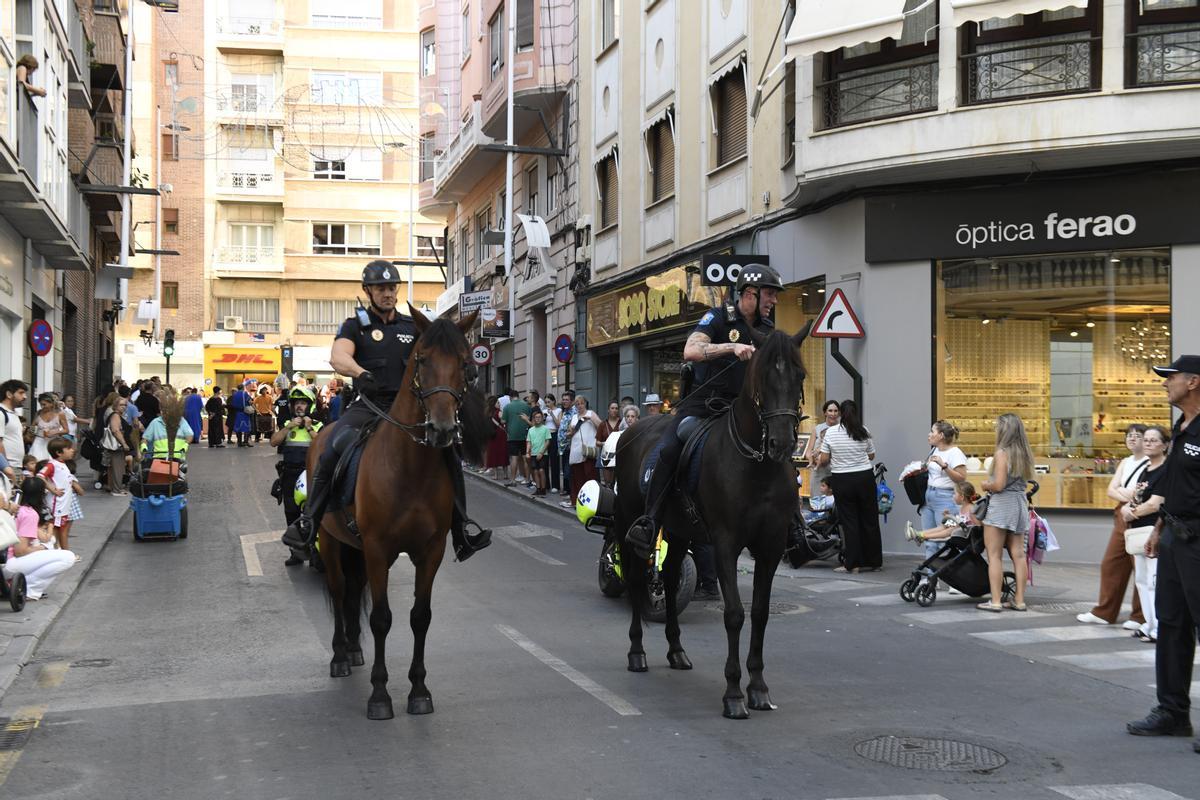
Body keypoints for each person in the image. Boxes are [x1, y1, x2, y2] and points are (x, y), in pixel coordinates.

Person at [280, 260, 490, 561]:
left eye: (392, 287)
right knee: (332, 446)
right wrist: (360, 372)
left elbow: (437, 357)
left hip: (407, 409)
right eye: (381, 288)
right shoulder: (355, 325)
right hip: (367, 406)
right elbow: (338, 357)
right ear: (368, 291)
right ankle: (310, 521)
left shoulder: (412, 326)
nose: (388, 293)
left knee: (449, 454)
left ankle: (460, 528)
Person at [625, 265, 784, 558]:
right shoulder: (718, 317)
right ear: (751, 293)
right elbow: (691, 350)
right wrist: (731, 347)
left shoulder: (768, 329)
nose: (774, 301)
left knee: (777, 451)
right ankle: (650, 520)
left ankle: (792, 525)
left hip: (743, 410)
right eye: (770, 294)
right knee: (671, 448)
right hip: (703, 406)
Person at [1127, 355, 1200, 745]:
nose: (1164, 383)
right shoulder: (1181, 427)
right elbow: (1174, 487)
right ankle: (1172, 713)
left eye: (1170, 377)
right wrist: (1159, 527)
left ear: (1193, 382)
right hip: (1174, 534)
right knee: (1171, 624)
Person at [1077, 424, 1150, 628]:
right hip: (1121, 515)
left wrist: (1125, 494)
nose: (1132, 439)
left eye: (1137, 436)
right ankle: (1105, 612)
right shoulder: (1126, 462)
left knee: (1140, 567)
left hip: (1140, 515)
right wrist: (1127, 494)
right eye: (1129, 435)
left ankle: (1140, 616)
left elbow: (1141, 493)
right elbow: (1111, 490)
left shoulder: (1150, 462)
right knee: (1112, 563)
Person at [976, 413, 1034, 613]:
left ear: (1004, 430)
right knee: (1019, 555)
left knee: (994, 555)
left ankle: (995, 601)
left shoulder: (1002, 453)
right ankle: (1019, 600)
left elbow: (999, 485)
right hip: (1019, 505)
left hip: (1001, 506)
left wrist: (986, 484)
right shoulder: (1025, 453)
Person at [816, 398, 881, 574]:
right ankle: (874, 561)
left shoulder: (831, 432)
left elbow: (824, 459)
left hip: (842, 479)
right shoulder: (863, 430)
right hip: (865, 477)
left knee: (849, 521)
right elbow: (872, 456)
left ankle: (853, 564)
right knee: (869, 519)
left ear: (840, 414)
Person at [1121, 425, 1170, 644]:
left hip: (1154, 530)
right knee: (1141, 580)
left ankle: (1159, 626)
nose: (1148, 443)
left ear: (1165, 445)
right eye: (1146, 440)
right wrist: (1127, 507)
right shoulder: (1146, 469)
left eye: (1153, 440)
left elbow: (1155, 503)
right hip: (1138, 531)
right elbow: (1137, 495)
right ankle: (1148, 624)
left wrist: (1132, 512)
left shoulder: (1165, 470)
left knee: (1154, 580)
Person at [270, 386, 323, 567]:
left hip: (312, 477)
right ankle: (296, 553)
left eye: (303, 403)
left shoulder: (318, 425)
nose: (299, 406)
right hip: (290, 477)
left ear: (309, 405)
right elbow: (274, 442)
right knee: (291, 516)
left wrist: (309, 428)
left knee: (313, 515)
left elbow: (323, 445)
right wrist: (288, 427)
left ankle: (316, 553)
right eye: (296, 403)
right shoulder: (288, 424)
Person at [3, 478, 74, 601]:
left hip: (5, 562)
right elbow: (20, 551)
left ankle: (21, 585)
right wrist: (43, 548)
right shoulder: (29, 514)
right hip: (8, 564)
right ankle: (29, 589)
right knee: (68, 557)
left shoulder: (14, 508)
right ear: (41, 494)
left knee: (51, 549)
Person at [916, 420, 968, 560]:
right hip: (929, 496)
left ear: (941, 436)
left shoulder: (955, 453)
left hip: (946, 499)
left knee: (945, 540)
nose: (929, 434)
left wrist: (944, 466)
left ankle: (946, 573)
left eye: (932, 431)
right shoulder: (934, 450)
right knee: (929, 540)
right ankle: (930, 573)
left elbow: (961, 478)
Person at [39, 437, 83, 552]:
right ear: (59, 452)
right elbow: (40, 476)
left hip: (63, 506)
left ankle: (59, 551)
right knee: (57, 529)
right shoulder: (52, 465)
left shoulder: (62, 464)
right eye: (68, 448)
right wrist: (53, 490)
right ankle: (60, 553)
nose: (72, 450)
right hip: (57, 506)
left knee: (61, 529)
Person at [905, 481, 979, 544]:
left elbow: (978, 527)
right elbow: (962, 521)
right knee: (944, 525)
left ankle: (922, 536)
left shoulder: (971, 509)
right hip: (960, 529)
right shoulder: (962, 508)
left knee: (951, 529)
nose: (953, 496)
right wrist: (949, 516)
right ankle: (920, 533)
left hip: (966, 535)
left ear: (962, 497)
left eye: (955, 493)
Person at [562, 395, 600, 509]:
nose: (580, 406)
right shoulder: (574, 417)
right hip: (576, 450)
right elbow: (569, 434)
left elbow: (601, 426)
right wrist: (570, 432)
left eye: (581, 403)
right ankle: (577, 502)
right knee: (577, 478)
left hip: (588, 451)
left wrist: (590, 419)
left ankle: (592, 502)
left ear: (585, 404)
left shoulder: (591, 413)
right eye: (577, 404)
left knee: (590, 477)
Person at [803, 400, 840, 491]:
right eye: (830, 411)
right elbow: (809, 450)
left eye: (835, 411)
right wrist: (811, 459)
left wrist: (820, 450)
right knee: (817, 498)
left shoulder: (842, 428)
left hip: (835, 472)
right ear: (825, 413)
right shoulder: (817, 428)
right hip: (818, 473)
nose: (833, 414)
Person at [501, 389, 532, 486]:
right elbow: (530, 418)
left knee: (514, 458)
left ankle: (513, 480)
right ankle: (527, 479)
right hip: (525, 435)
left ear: (510, 397)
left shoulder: (507, 407)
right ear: (518, 396)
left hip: (512, 435)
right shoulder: (526, 406)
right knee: (525, 457)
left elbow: (503, 421)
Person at [102, 396, 132, 496]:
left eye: (125, 405)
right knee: (118, 468)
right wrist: (124, 443)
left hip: (116, 446)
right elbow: (115, 430)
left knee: (114, 468)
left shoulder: (117, 415)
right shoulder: (115, 416)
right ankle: (116, 490)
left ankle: (115, 488)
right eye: (121, 405)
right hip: (117, 446)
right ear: (115, 405)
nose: (123, 407)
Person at [28, 392, 68, 462]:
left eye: (44, 404)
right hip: (39, 442)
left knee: (52, 463)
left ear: (51, 403)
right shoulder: (38, 413)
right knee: (37, 462)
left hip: (53, 443)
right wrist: (34, 431)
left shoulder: (60, 414)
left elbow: (66, 430)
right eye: (41, 404)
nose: (42, 407)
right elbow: (32, 428)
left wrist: (55, 432)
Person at [0, 379, 28, 465]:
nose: (25, 397)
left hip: (16, 465)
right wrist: (5, 467)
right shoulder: (1, 412)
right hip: (7, 467)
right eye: (21, 393)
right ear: (9, 394)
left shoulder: (14, 413)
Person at [526, 410, 551, 496]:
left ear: (542, 418)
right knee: (535, 471)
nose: (538, 419)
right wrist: (527, 452)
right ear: (533, 419)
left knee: (541, 470)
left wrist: (541, 452)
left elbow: (547, 441)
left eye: (539, 417)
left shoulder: (545, 429)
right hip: (533, 453)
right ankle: (538, 488)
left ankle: (543, 489)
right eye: (536, 417)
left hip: (543, 454)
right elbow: (529, 442)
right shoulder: (531, 430)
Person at [484, 395, 508, 478]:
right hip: (500, 434)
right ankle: (505, 474)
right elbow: (503, 421)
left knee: (493, 453)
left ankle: (496, 475)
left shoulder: (488, 413)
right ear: (493, 403)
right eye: (497, 402)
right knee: (503, 453)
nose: (499, 404)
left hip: (492, 434)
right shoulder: (499, 412)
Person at [229, 382, 254, 447]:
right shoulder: (244, 393)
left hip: (237, 413)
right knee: (247, 428)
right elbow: (250, 401)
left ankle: (239, 442)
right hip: (245, 412)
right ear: (243, 388)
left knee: (238, 428)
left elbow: (232, 404)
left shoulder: (235, 394)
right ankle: (245, 441)